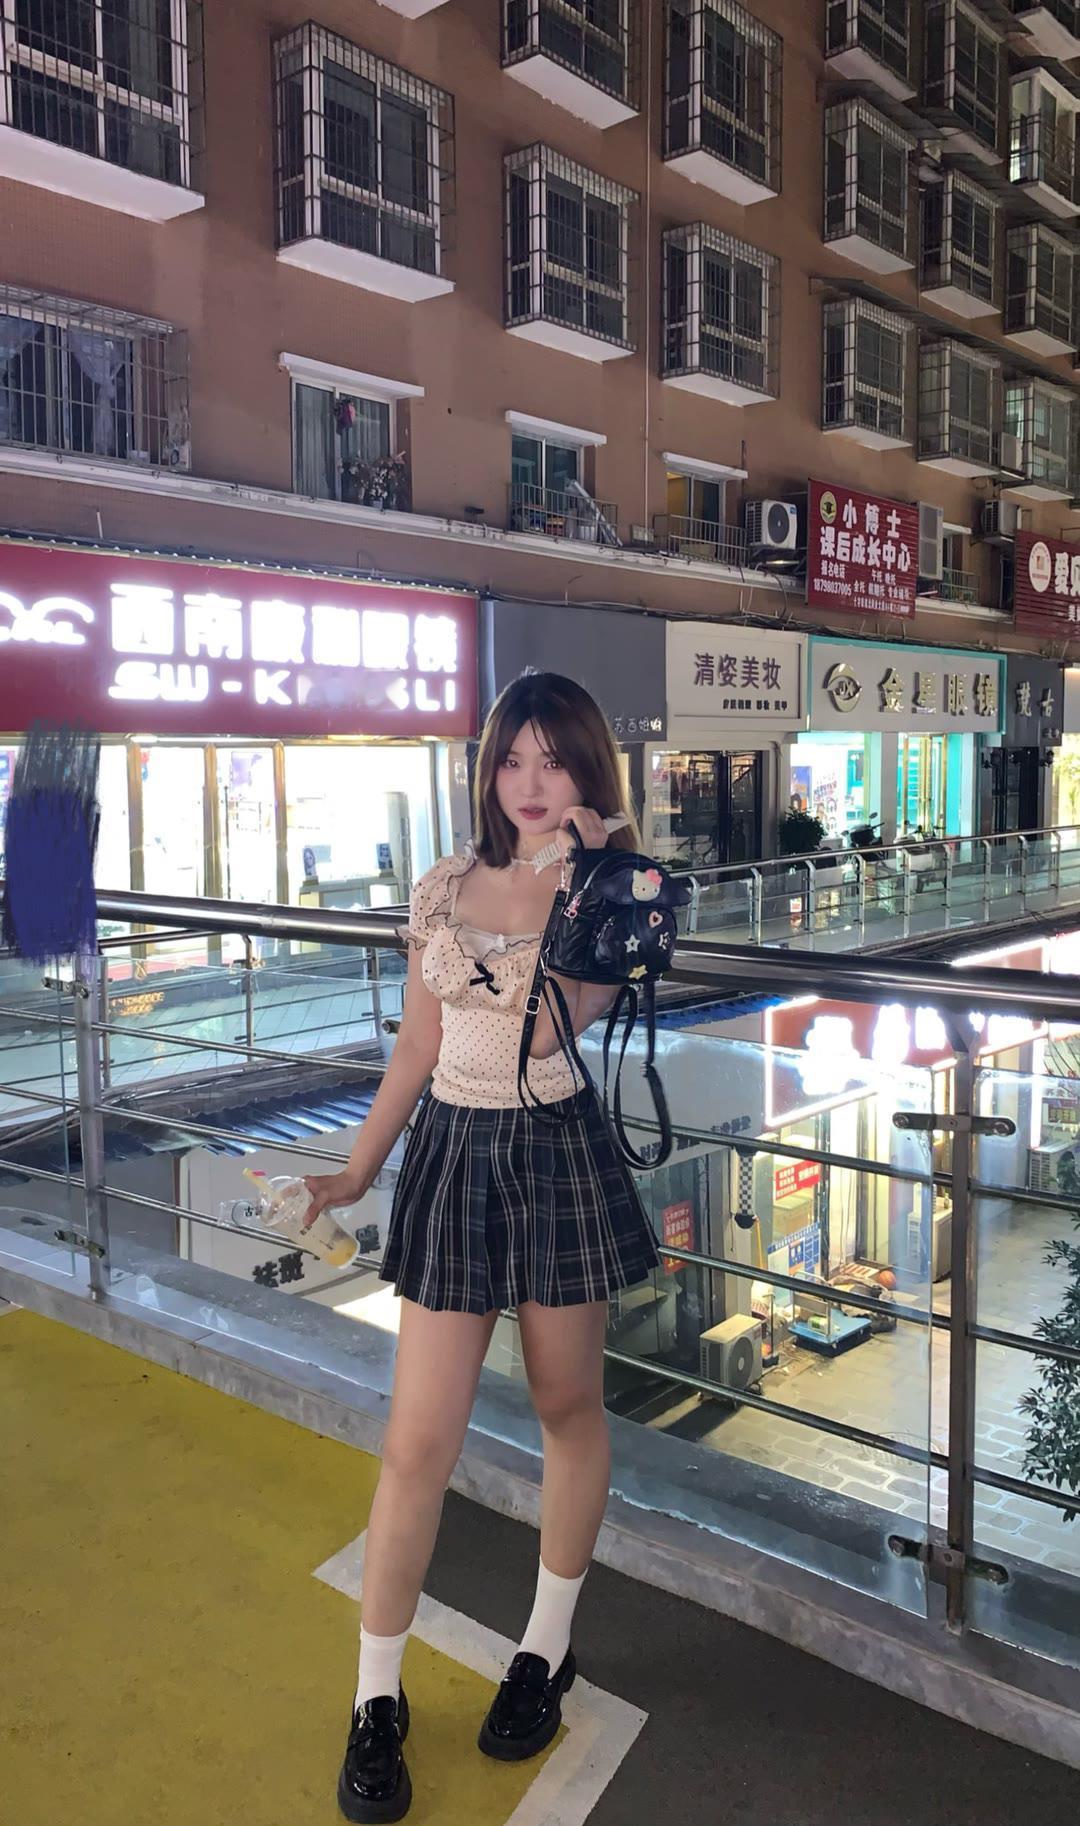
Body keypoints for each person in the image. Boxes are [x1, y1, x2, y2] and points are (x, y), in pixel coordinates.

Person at [304, 671, 661, 1824]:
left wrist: (596, 870)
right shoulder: (443, 885)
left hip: (553, 1147)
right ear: (487, 768)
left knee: (567, 1403)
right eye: (513, 758)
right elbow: (419, 1045)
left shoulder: (612, 891)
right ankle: (374, 1696)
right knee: (417, 1439)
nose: (530, 782)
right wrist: (356, 1169)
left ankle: (545, 1647)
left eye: (554, 760)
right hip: (453, 1152)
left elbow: (552, 1025)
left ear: (588, 770)